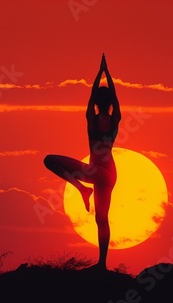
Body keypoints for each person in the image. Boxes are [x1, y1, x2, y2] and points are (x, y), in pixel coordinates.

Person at [44, 53, 121, 270]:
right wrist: (107, 74)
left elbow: (92, 98)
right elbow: (115, 98)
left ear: (96, 103)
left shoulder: (91, 120)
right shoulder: (115, 121)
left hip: (96, 171)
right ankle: (102, 264)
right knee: (101, 219)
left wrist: (99, 73)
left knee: (49, 160)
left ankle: (80, 188)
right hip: (107, 175)